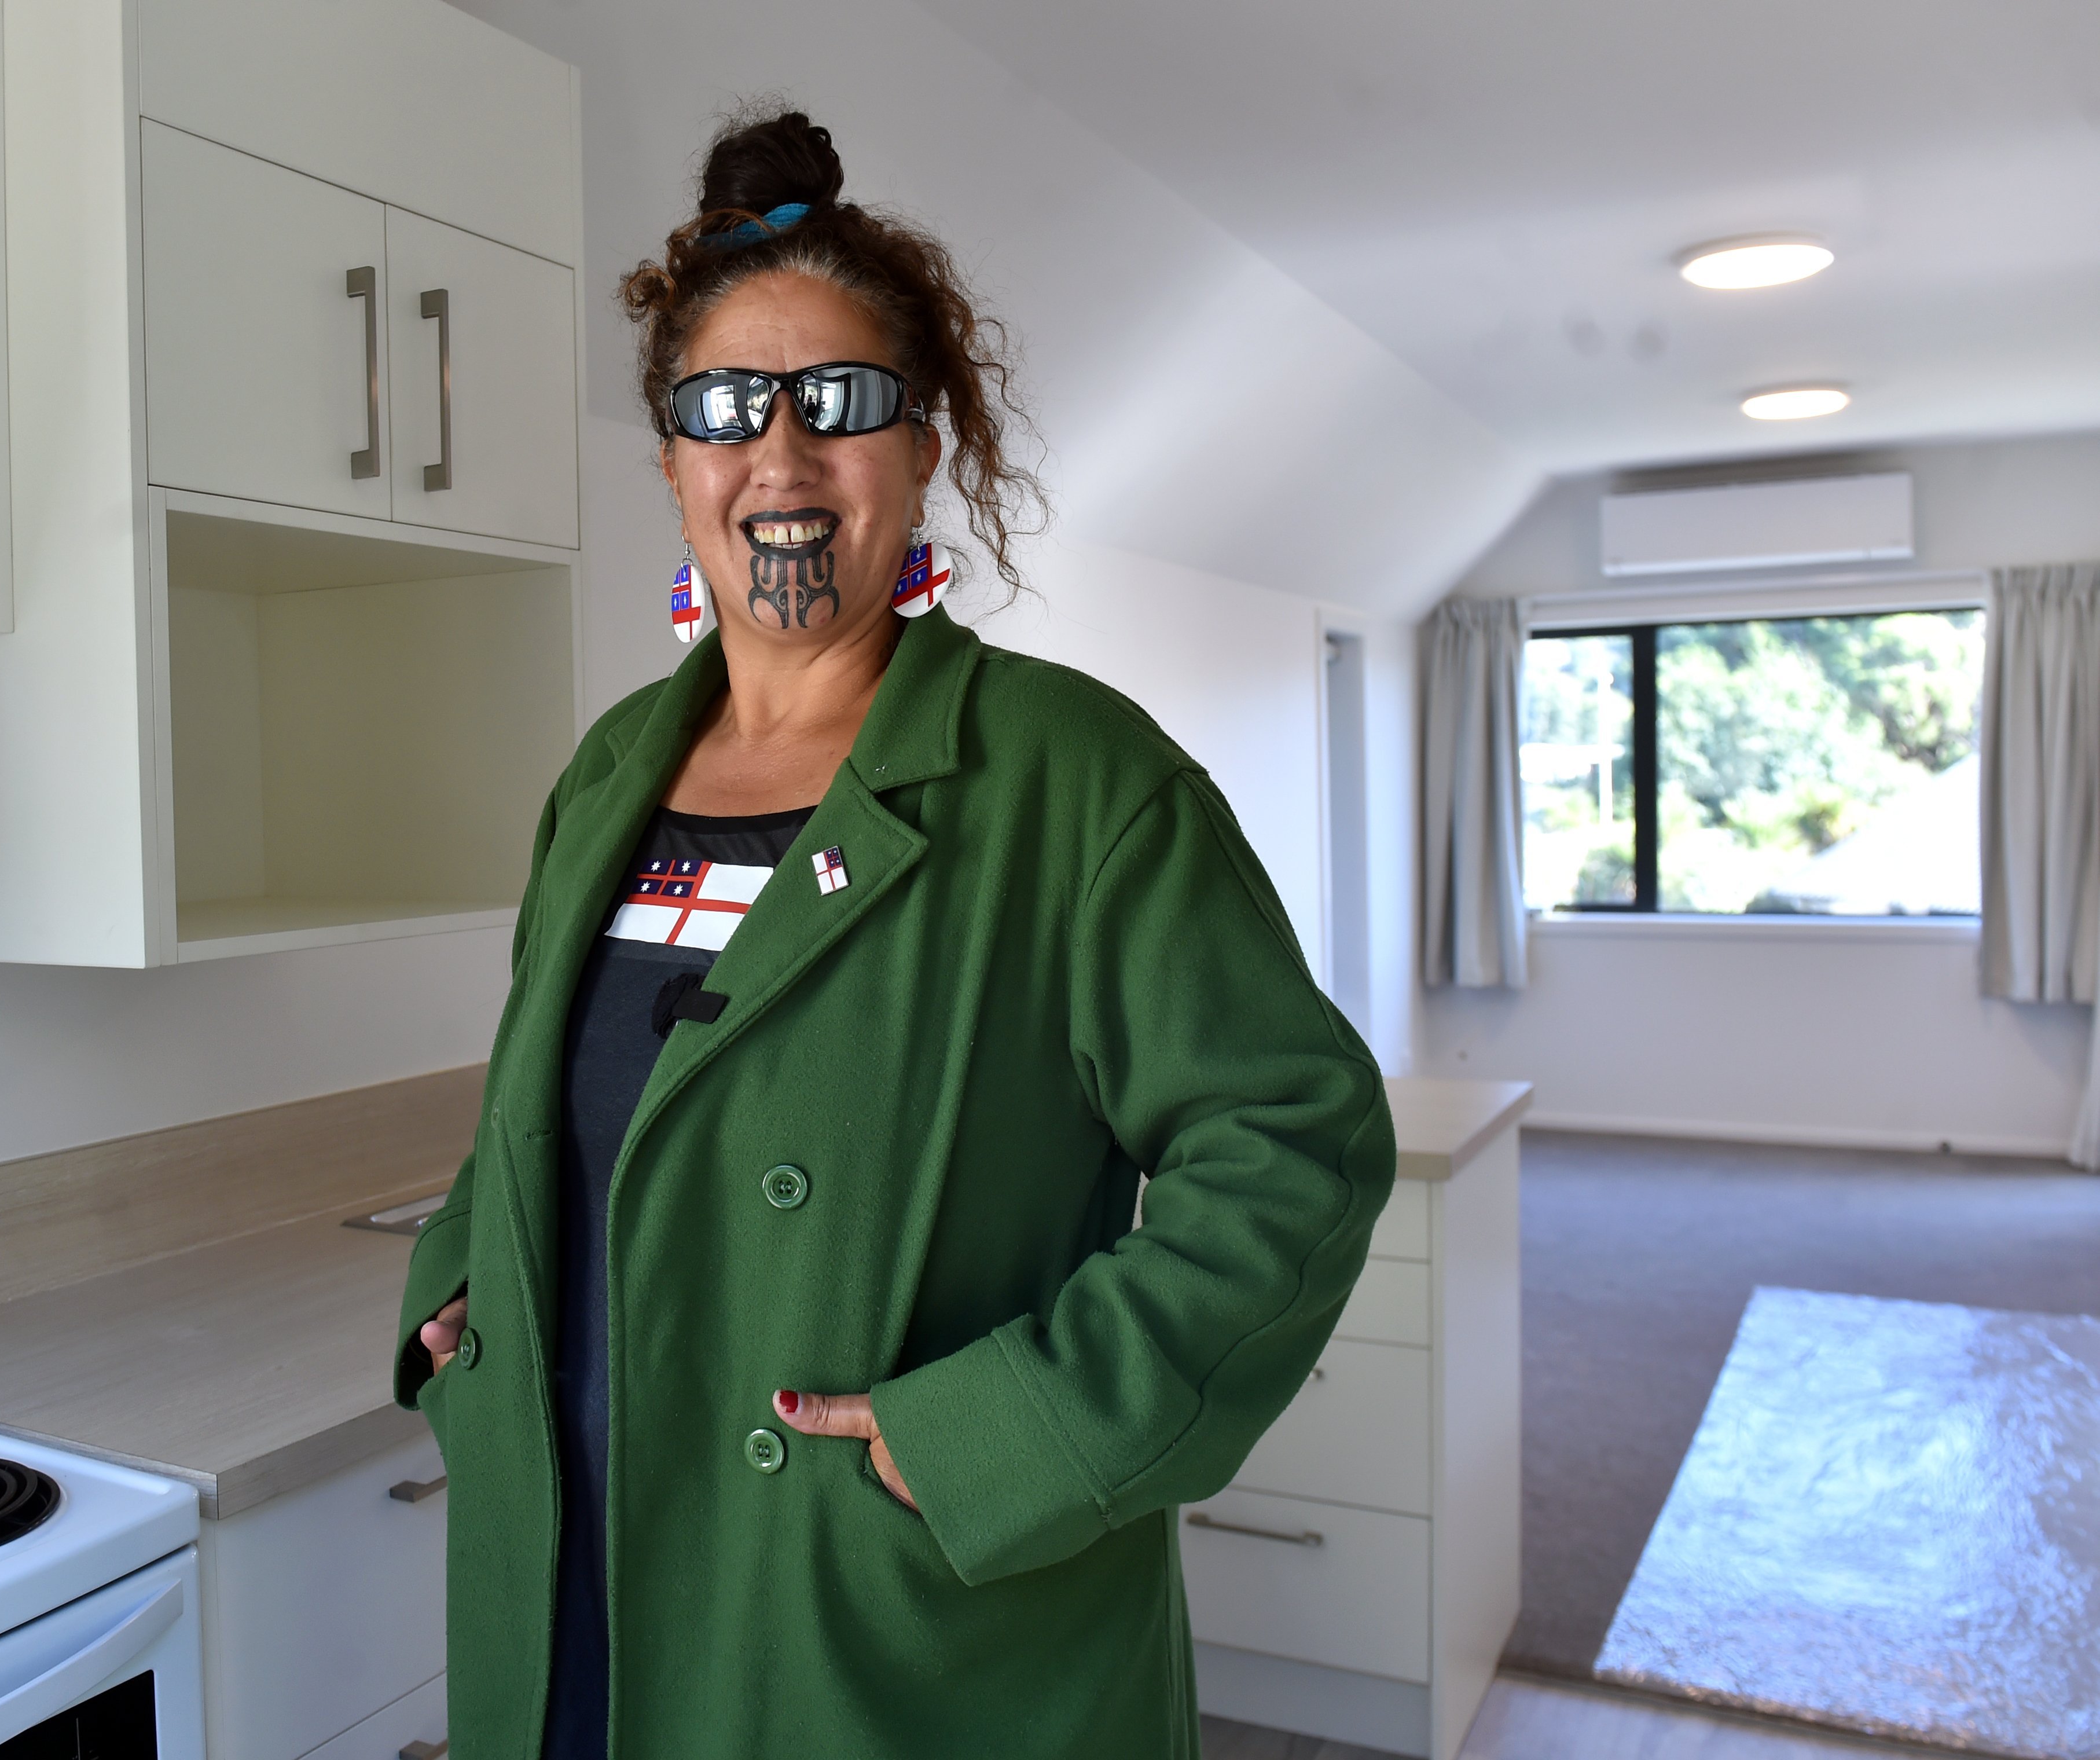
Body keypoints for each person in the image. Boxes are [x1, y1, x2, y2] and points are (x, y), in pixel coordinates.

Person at [394, 107, 1394, 1758]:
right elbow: (552, 1101)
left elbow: (1287, 1140)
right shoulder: (602, 780)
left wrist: (1024, 1427)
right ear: (669, 459)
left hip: (872, 1613)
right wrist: (457, 1276)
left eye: (839, 404)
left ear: (922, 448)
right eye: (721, 409)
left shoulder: (1079, 779)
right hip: (564, 1549)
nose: (778, 459)